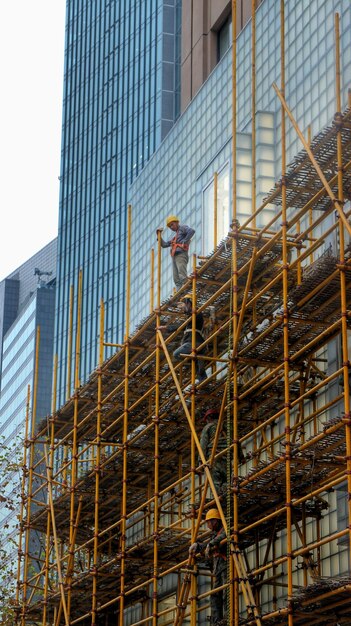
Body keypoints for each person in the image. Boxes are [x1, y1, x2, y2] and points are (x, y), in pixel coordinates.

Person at [189, 509, 227, 626]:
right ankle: (217, 622)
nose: (208, 525)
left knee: (227, 593)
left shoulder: (225, 529)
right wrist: (198, 545)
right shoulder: (215, 534)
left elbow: (226, 535)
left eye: (208, 522)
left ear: (215, 521)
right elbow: (207, 543)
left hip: (226, 567)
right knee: (215, 595)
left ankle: (228, 618)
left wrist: (212, 544)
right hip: (218, 570)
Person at [173, 294, 207, 384]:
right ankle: (202, 379)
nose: (182, 308)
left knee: (176, 354)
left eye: (184, 303)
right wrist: (166, 327)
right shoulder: (189, 319)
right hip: (195, 343)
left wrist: (189, 308)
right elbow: (179, 327)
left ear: (189, 303)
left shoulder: (197, 313)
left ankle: (201, 376)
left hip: (194, 342)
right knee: (196, 363)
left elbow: (195, 313)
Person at [156, 216, 194, 291]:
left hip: (181, 254)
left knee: (182, 274)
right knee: (176, 278)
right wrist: (159, 236)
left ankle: (186, 290)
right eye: (170, 226)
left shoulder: (182, 228)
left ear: (177, 222)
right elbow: (164, 245)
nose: (171, 227)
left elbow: (191, 231)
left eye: (172, 224)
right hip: (174, 256)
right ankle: (179, 293)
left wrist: (184, 241)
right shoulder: (174, 238)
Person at [200, 409, 227, 496]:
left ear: (209, 418)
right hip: (226, 455)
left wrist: (201, 461)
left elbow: (203, 444)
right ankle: (227, 495)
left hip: (214, 456)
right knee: (227, 479)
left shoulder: (208, 427)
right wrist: (241, 456)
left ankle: (218, 499)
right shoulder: (225, 427)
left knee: (215, 482)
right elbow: (235, 441)